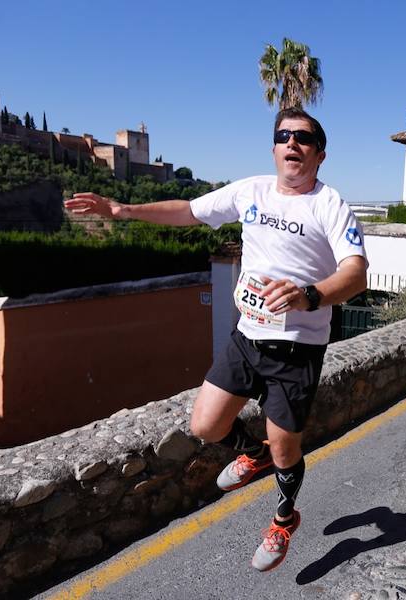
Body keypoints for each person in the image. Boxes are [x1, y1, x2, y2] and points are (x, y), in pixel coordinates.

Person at [64, 108, 368, 572]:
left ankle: (285, 517)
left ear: (319, 155)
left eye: (304, 138)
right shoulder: (251, 191)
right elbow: (188, 211)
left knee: (288, 449)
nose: (292, 143)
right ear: (273, 148)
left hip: (297, 349)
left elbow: (356, 273)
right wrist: (122, 210)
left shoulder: (330, 205)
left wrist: (310, 295)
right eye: (283, 135)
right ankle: (253, 452)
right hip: (247, 337)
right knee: (205, 426)